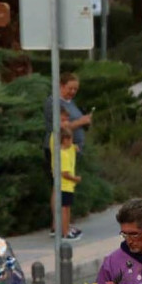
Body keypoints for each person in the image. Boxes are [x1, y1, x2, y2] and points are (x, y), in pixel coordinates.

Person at [44, 72, 91, 237]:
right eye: (70, 88)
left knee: (66, 190)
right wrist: (82, 122)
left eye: (75, 89)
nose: (73, 92)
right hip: (59, 151)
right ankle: (58, 227)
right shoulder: (53, 102)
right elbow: (61, 127)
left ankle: (64, 225)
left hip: (70, 151)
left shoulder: (70, 102)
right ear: (61, 86)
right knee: (59, 187)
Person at [50, 127, 82, 241]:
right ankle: (65, 232)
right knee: (64, 209)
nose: (72, 143)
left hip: (67, 186)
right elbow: (65, 173)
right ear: (65, 140)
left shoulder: (66, 151)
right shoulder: (62, 154)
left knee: (67, 209)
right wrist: (75, 179)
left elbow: (73, 148)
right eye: (70, 140)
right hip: (64, 185)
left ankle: (67, 229)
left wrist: (74, 147)